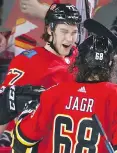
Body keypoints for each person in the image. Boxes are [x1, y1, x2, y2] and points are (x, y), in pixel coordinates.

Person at [11, 35, 117, 153]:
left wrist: (28, 111)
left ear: (79, 62)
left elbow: (23, 138)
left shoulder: (53, 93)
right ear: (111, 64)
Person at [0, 2, 81, 144]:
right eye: (64, 32)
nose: (69, 39)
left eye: (74, 32)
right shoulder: (26, 61)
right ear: (50, 29)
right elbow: (4, 107)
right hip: (31, 143)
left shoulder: (80, 58)